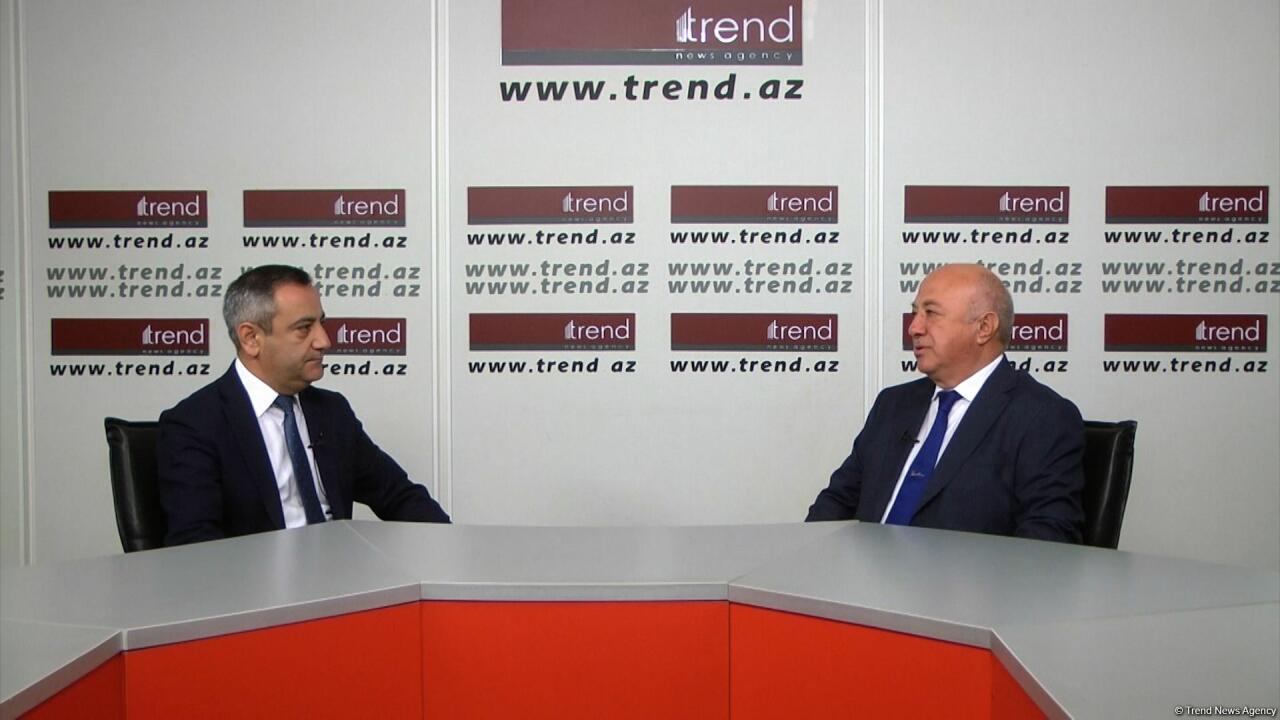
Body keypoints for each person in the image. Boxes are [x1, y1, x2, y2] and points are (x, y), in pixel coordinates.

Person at [157, 264, 448, 546]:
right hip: (253, 577)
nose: (324, 341)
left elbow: (399, 496)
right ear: (251, 338)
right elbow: (196, 546)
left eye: (322, 323)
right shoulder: (194, 425)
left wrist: (449, 548)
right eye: (304, 328)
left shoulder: (332, 411)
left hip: (340, 572)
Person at [807, 263, 1085, 542]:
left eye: (931, 313)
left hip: (968, 571)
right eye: (915, 313)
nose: (914, 328)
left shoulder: (1042, 418)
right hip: (863, 567)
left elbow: (1047, 538)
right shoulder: (892, 404)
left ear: (984, 327)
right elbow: (836, 503)